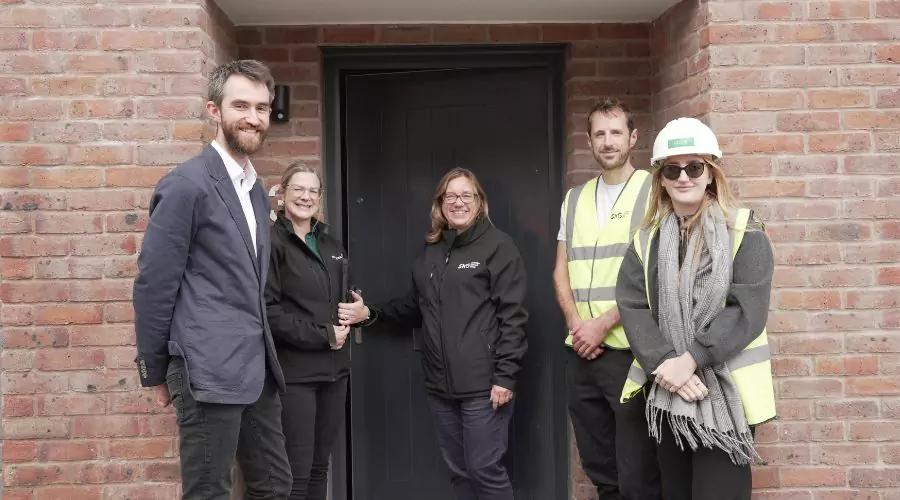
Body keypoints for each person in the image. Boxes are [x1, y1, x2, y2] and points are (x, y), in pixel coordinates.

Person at [133, 59, 292, 499]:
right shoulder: (187, 185)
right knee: (209, 492)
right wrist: (156, 369)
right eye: (240, 105)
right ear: (213, 110)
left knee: (276, 485)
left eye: (262, 108)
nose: (253, 118)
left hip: (256, 368)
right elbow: (154, 283)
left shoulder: (256, 191)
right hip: (205, 369)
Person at [338, 167, 528, 500]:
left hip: (484, 386)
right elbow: (415, 306)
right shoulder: (433, 249)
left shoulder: (498, 246)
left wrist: (505, 376)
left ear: (479, 201)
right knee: (458, 472)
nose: (458, 202)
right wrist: (370, 313)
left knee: (484, 469)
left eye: (465, 195)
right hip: (440, 386)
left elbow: (513, 316)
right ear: (439, 204)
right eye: (450, 196)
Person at [616, 117, 776, 500]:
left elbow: (746, 310)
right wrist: (668, 364)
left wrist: (691, 359)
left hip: (724, 392)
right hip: (668, 391)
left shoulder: (746, 232)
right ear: (661, 179)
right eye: (673, 169)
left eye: (694, 167)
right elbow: (633, 306)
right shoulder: (647, 241)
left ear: (711, 174)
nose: (683, 177)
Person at [552, 97, 662, 499]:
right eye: (599, 133)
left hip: (629, 351)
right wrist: (576, 325)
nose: (608, 141)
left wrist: (602, 325)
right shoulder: (575, 198)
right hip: (581, 351)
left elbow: (658, 275)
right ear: (589, 141)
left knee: (638, 473)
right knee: (602, 471)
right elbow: (560, 269)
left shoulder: (655, 192)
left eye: (616, 132)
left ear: (633, 138)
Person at [265, 163, 373, 499]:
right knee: (295, 472)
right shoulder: (271, 243)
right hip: (295, 375)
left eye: (313, 191)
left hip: (335, 372)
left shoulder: (330, 244)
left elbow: (343, 297)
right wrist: (322, 335)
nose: (306, 197)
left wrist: (360, 311)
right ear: (282, 195)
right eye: (298, 189)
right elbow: (268, 312)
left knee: (319, 468)